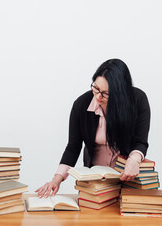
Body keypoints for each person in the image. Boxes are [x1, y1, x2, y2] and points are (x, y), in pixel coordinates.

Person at [35, 58, 151, 198]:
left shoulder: (138, 100)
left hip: (128, 178)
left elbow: (140, 141)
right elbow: (73, 147)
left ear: (121, 93)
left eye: (106, 93)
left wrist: (134, 159)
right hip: (95, 182)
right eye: (96, 88)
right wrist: (56, 180)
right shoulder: (81, 105)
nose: (98, 96)